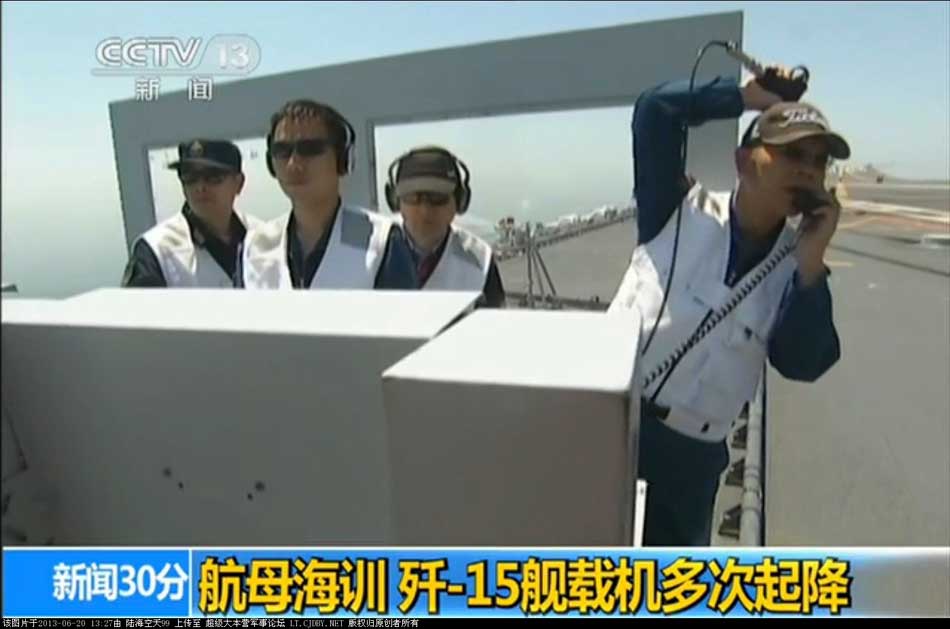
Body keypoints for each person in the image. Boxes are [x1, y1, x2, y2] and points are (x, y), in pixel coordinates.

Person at [608, 68, 849, 546]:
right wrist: (745, 96)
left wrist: (811, 265)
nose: (806, 169)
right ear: (743, 161)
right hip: (610, 424)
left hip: (692, 460)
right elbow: (654, 111)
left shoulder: (796, 269)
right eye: (790, 154)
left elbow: (802, 363)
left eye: (818, 161)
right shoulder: (675, 209)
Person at [239, 100, 415, 289]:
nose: (293, 164)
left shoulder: (383, 240)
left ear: (342, 160)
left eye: (310, 150)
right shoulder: (255, 246)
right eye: (282, 151)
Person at [122, 139, 258, 288]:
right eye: (190, 177)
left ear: (239, 183)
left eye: (213, 176)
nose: (200, 187)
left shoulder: (264, 237)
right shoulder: (156, 250)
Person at [384, 146, 506, 308]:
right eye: (413, 197)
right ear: (395, 201)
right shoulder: (372, 253)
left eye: (437, 198)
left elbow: (495, 326)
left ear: (460, 201)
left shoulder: (480, 260)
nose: (424, 211)